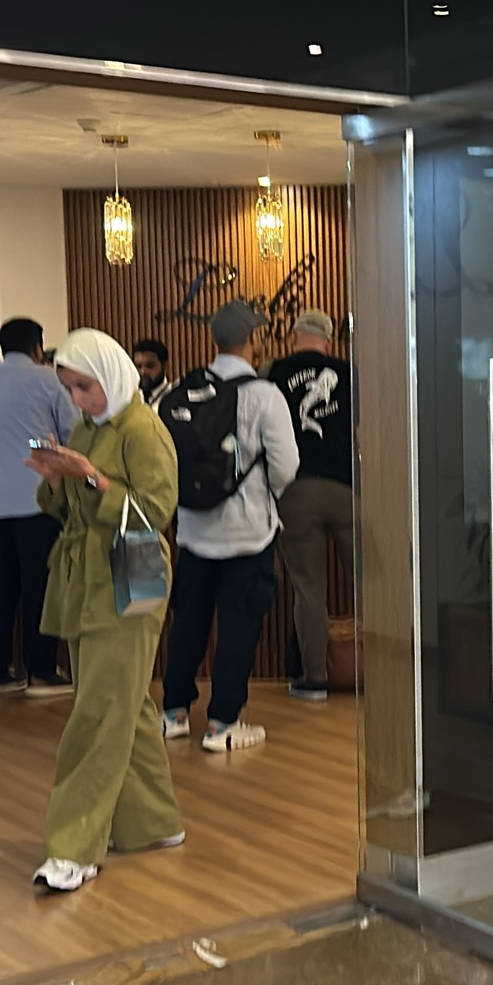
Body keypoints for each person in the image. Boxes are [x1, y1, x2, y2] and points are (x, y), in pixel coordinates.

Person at [22, 328, 185, 893]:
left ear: (110, 376)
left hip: (132, 569)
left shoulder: (144, 430)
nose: (78, 399)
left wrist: (90, 477)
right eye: (69, 389)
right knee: (124, 702)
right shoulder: (85, 429)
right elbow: (69, 509)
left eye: (84, 387)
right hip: (89, 574)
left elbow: (154, 513)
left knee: (98, 711)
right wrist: (56, 479)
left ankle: (74, 846)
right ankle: (152, 822)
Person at [160, 301, 298, 753]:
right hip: (248, 532)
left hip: (194, 531)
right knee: (239, 626)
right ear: (253, 339)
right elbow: (287, 466)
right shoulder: (264, 394)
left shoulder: (184, 389)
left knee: (188, 623)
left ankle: (174, 713)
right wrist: (262, 494)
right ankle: (222, 724)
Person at [0, 318, 80, 698]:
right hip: (37, 499)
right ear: (37, 346)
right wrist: (35, 443)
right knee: (39, 587)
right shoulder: (48, 380)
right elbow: (72, 434)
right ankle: (42, 671)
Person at [265, 309, 353, 702]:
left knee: (309, 591)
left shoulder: (272, 372)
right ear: (329, 342)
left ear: (293, 337)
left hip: (295, 491)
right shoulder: (349, 373)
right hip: (346, 490)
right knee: (371, 588)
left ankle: (314, 680)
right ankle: (386, 675)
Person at [133, 339, 171, 410]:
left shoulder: (176, 398)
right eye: (138, 366)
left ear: (165, 366)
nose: (143, 372)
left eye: (150, 366)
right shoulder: (129, 399)